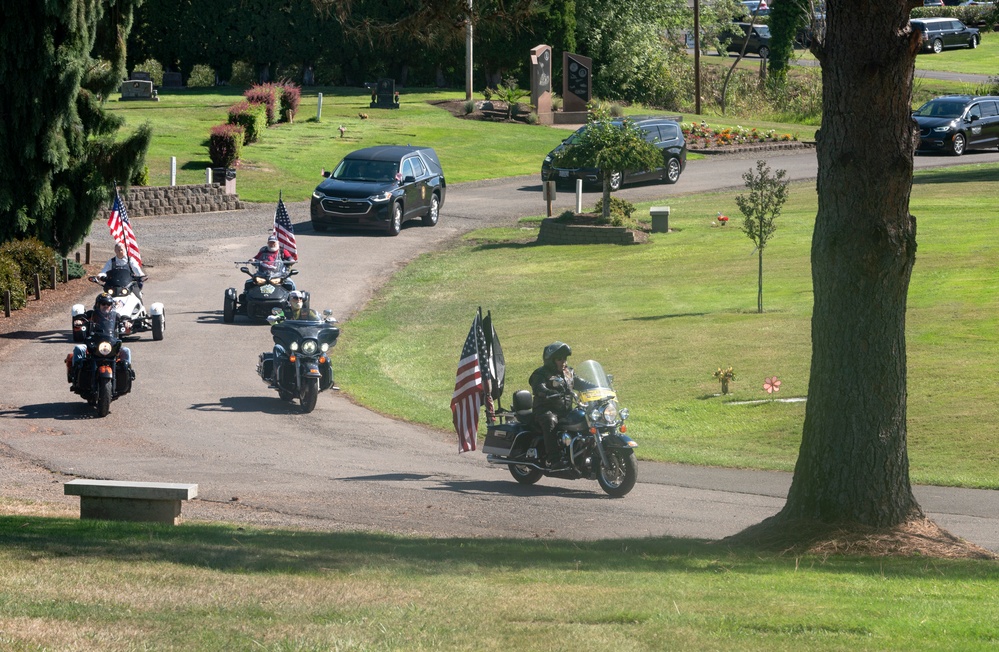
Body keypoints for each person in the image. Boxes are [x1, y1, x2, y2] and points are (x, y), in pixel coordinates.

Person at [529, 341, 581, 468]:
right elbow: (538, 387)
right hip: (545, 409)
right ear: (551, 360)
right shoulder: (540, 373)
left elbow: (581, 383)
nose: (563, 361)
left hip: (565, 410)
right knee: (550, 420)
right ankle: (554, 459)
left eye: (565, 358)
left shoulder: (569, 373)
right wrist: (547, 392)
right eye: (559, 359)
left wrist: (599, 386)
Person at [69, 293, 133, 388]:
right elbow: (82, 317)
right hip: (93, 343)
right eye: (103, 303)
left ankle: (128, 376)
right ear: (98, 305)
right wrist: (79, 321)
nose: (106, 306)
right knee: (78, 348)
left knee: (126, 350)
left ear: (111, 306)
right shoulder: (92, 314)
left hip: (111, 343)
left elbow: (124, 319)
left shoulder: (115, 316)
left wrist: (127, 322)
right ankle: (74, 375)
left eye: (108, 304)